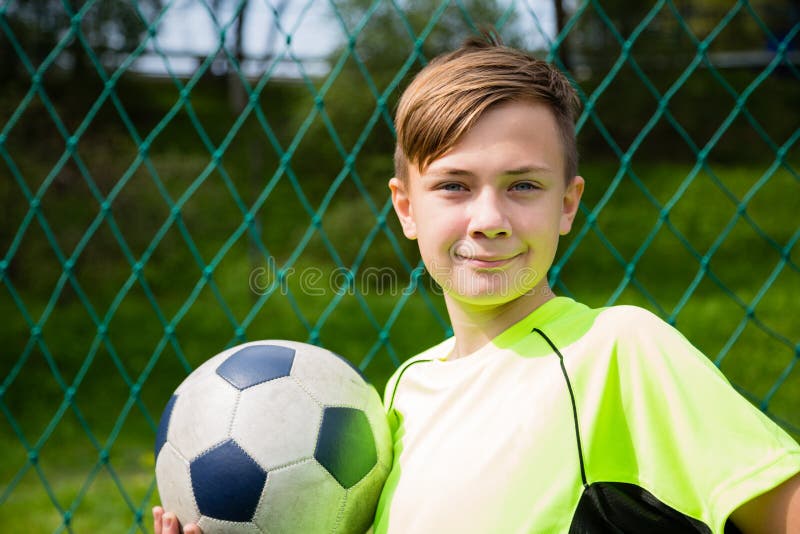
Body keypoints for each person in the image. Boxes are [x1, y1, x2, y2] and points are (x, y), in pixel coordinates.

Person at [154, 34, 800, 533]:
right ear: (407, 207)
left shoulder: (619, 351)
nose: (489, 220)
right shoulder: (399, 394)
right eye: (454, 186)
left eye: (523, 185)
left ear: (568, 205)